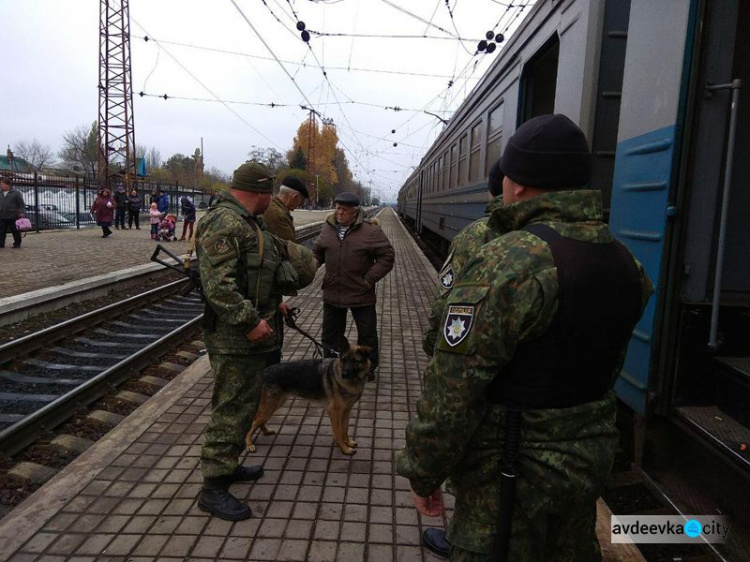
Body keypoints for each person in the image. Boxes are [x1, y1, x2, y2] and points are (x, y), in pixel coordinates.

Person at [395, 114, 653, 562]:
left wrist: (423, 471)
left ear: (517, 184)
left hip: (512, 471)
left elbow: (453, 389)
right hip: (587, 460)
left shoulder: (511, 260)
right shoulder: (625, 260)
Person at [418, 160, 506, 559]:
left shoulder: (478, 238)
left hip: (495, 402)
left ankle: (463, 541)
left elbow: (445, 313)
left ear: (498, 189)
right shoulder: (604, 245)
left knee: (485, 483)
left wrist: (424, 468)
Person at [195, 161, 292, 521]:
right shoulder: (224, 221)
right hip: (234, 337)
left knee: (244, 402)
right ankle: (213, 488)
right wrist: (250, 321)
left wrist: (273, 303)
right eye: (272, 193)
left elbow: (251, 275)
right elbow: (218, 285)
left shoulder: (245, 222)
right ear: (262, 192)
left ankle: (228, 465)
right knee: (231, 406)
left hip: (248, 335)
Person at [312, 191, 395, 375]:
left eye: (344, 209)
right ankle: (330, 366)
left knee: (367, 335)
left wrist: (368, 280)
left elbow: (387, 256)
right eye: (337, 208)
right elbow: (317, 251)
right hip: (333, 291)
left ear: (355, 211)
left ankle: (368, 368)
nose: (339, 212)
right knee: (330, 334)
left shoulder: (371, 231)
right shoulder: (328, 228)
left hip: (361, 293)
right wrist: (313, 263)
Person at [262, 176, 309, 241]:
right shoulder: (278, 215)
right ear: (295, 197)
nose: (299, 204)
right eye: (301, 199)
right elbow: (290, 247)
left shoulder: (271, 206)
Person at [0, 178, 26, 249]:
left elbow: (21, 204)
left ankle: (17, 243)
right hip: (2, 215)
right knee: (1, 231)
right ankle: (1, 243)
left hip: (13, 215)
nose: (1, 185)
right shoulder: (0, 192)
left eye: (2, 184)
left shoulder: (16, 193)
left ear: (7, 185)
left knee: (15, 231)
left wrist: (22, 213)